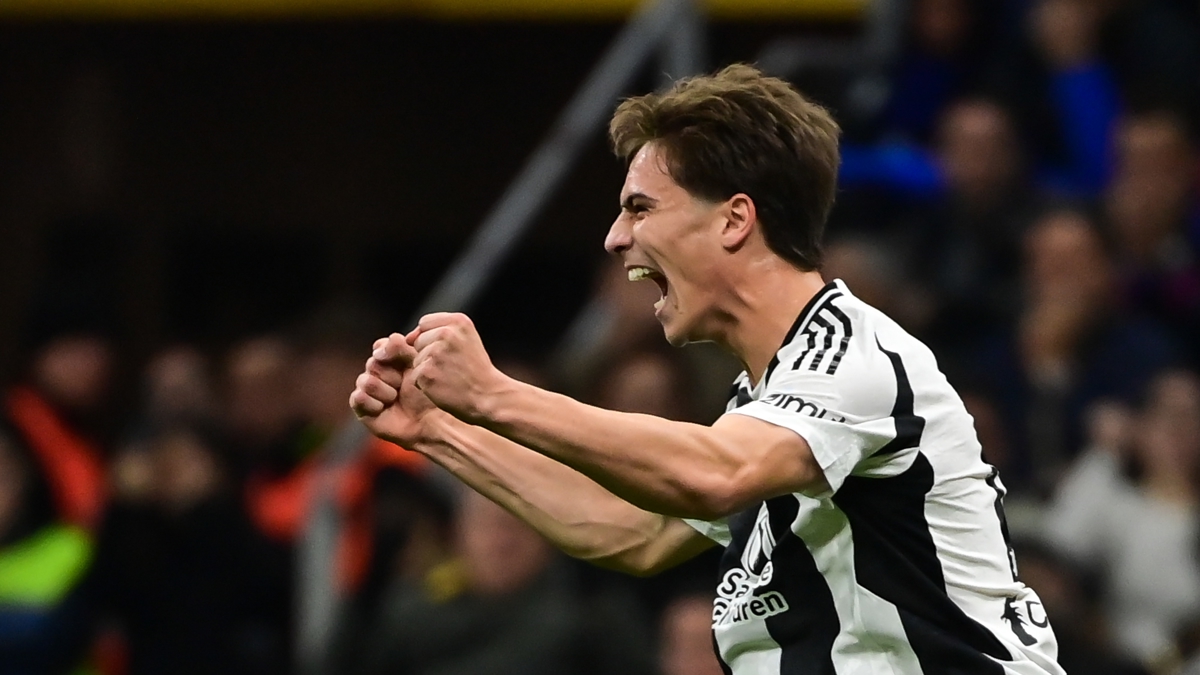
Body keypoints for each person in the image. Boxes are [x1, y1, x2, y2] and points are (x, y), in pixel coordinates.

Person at [350, 64, 1064, 674]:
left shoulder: (851, 356)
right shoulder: (764, 397)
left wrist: (495, 394)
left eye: (640, 207)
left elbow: (717, 473)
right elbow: (637, 533)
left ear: (733, 220)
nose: (616, 237)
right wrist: (441, 430)